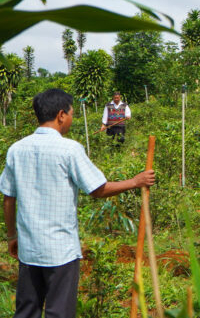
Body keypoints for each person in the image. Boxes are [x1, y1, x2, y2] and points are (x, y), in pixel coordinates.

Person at [0, 88, 155, 318]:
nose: (71, 119)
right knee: (59, 313)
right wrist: (135, 181)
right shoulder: (70, 149)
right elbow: (98, 189)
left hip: (29, 249)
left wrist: (12, 236)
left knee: (26, 312)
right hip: (61, 251)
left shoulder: (16, 149)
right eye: (71, 113)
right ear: (61, 115)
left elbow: (8, 198)